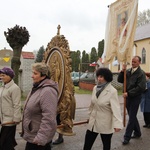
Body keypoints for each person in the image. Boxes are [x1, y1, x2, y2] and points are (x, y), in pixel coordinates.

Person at [21, 62, 59, 150]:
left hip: (39, 139)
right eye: (32, 73)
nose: (32, 76)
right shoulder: (36, 87)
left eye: (35, 73)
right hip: (33, 135)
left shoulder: (47, 91)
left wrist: (41, 138)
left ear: (43, 75)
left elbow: (49, 117)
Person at [83, 67, 123, 150]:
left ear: (107, 78)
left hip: (105, 123)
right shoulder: (95, 88)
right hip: (93, 122)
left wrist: (117, 124)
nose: (99, 78)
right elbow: (92, 104)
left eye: (101, 77)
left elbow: (116, 109)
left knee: (106, 146)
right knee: (87, 145)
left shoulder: (112, 91)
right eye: (98, 76)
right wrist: (89, 116)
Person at [117, 56, 146, 145]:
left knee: (131, 117)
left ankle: (127, 137)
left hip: (135, 97)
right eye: (132, 62)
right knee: (132, 115)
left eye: (135, 62)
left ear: (139, 63)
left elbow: (140, 87)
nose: (133, 63)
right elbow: (120, 80)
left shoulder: (141, 73)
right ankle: (137, 132)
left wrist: (129, 93)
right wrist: (122, 71)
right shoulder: (128, 71)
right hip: (127, 97)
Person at [0, 67, 21, 150]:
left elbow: (17, 104)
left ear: (10, 76)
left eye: (3, 75)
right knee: (6, 143)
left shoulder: (14, 88)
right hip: (2, 118)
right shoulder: (2, 87)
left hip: (10, 120)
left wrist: (16, 118)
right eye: (0, 75)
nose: (1, 77)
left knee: (5, 143)